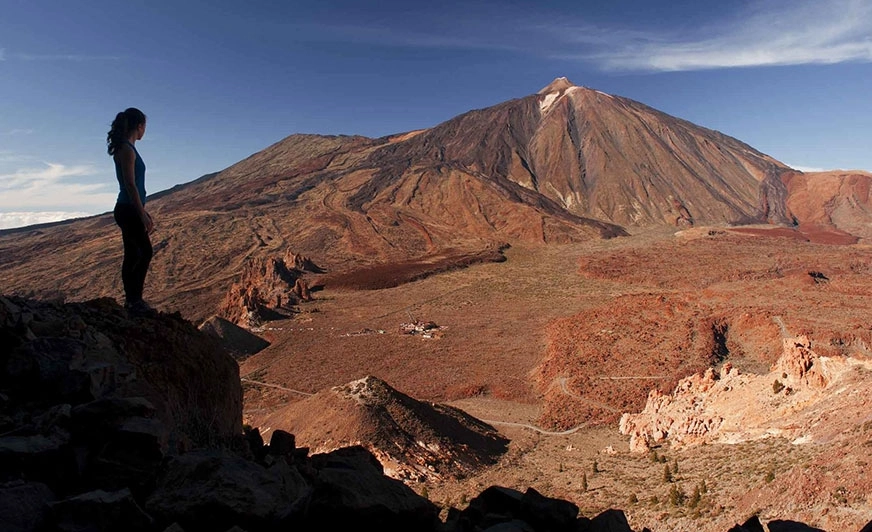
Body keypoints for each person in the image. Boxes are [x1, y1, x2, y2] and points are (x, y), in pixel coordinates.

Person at [107, 107, 155, 316]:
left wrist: (142, 211)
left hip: (128, 208)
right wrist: (141, 213)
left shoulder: (127, 148)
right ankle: (135, 301)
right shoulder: (126, 149)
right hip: (128, 208)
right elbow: (130, 184)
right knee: (144, 252)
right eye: (145, 126)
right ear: (139, 126)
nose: (145, 131)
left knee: (133, 254)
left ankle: (132, 301)